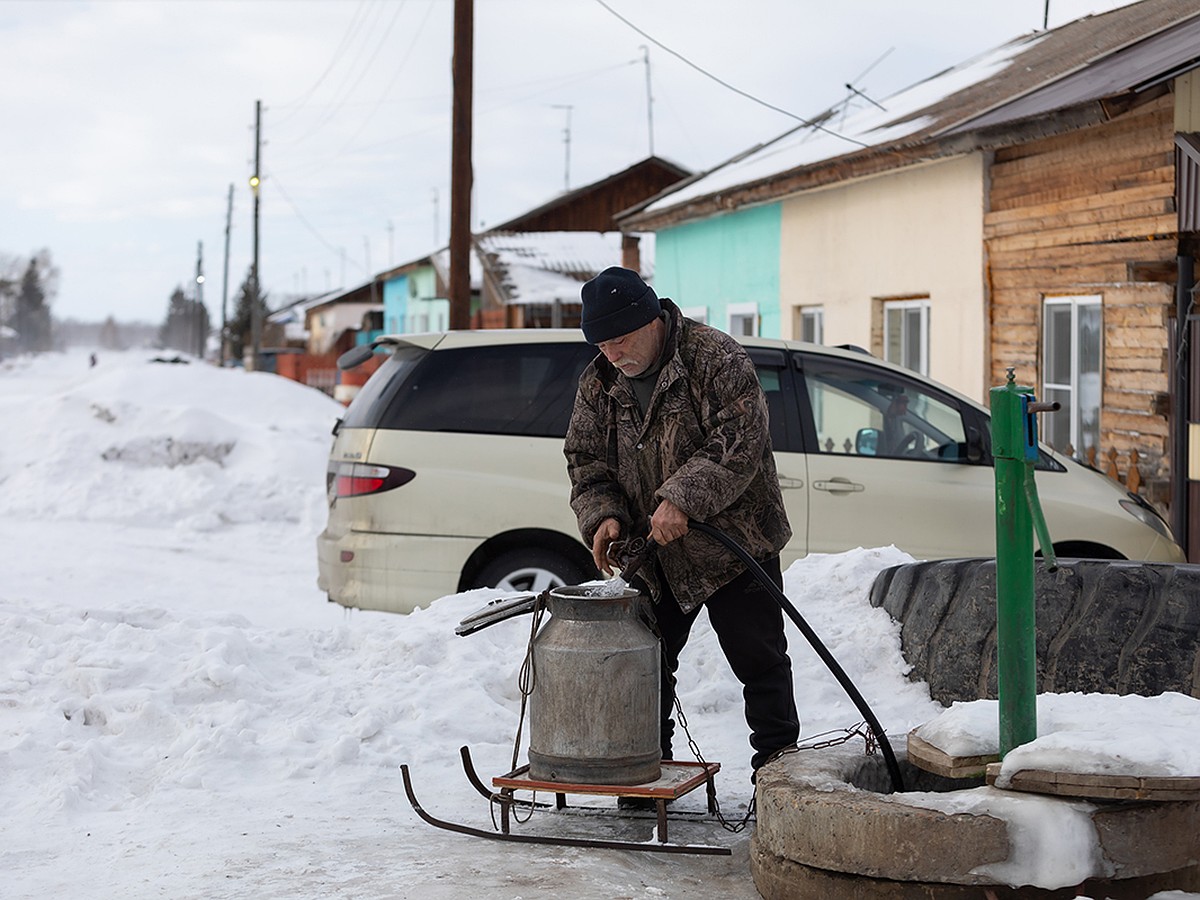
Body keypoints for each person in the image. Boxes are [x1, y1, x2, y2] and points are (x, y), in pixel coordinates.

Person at [563, 265, 800, 777]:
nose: (612, 355)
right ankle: (641, 774)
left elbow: (739, 441)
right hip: (655, 554)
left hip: (735, 546)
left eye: (620, 340)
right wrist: (601, 514)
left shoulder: (715, 357)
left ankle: (779, 780)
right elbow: (586, 460)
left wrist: (681, 499)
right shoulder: (599, 381)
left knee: (760, 664)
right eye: (601, 346)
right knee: (643, 667)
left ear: (652, 320)